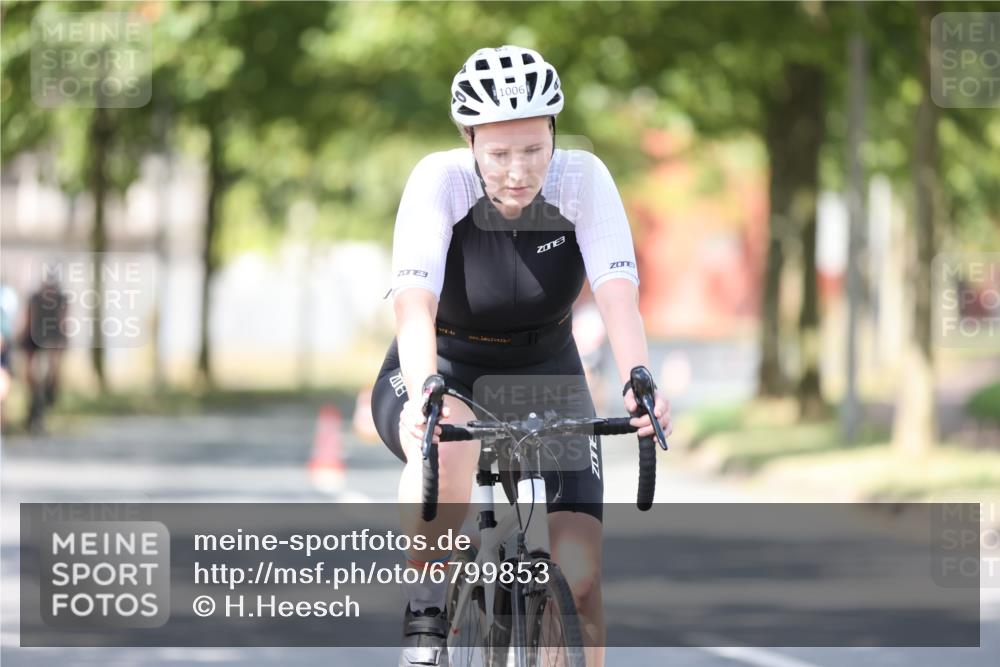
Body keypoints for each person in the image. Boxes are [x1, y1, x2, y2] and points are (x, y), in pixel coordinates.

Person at [370, 45, 672, 667]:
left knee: (581, 579)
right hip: (443, 363)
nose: (517, 170)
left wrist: (639, 381)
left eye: (534, 150)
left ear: (554, 135)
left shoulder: (582, 180)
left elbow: (619, 296)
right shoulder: (439, 181)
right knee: (449, 444)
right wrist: (426, 388)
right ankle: (428, 599)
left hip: (545, 371)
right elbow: (413, 305)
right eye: (499, 153)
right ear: (470, 140)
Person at [20, 277, 68, 434]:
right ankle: (35, 405)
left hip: (52, 338)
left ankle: (49, 396)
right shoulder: (34, 298)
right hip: (34, 338)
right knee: (32, 375)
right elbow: (28, 321)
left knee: (52, 372)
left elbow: (63, 321)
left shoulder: (61, 299)